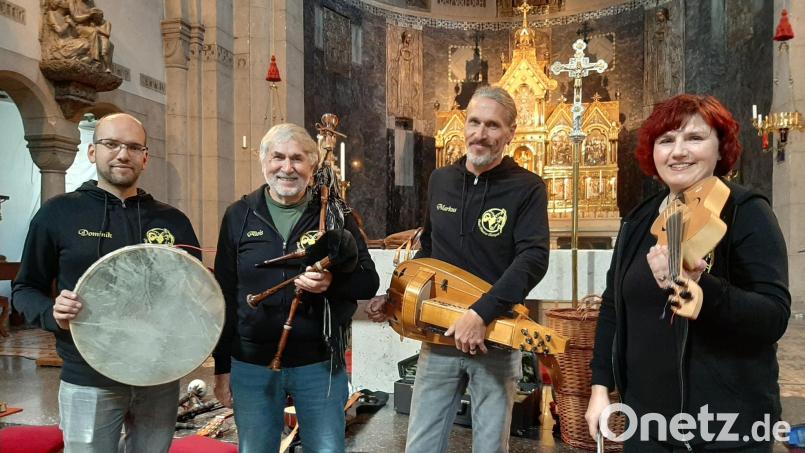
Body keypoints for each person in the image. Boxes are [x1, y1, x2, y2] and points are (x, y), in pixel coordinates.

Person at [586, 94, 790, 452]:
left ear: (720, 147)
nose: (678, 151)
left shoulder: (746, 212)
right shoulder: (639, 219)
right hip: (647, 422)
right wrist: (600, 387)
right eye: (666, 140)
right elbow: (613, 308)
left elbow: (773, 316)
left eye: (695, 137)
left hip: (725, 426)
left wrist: (704, 289)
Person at [367, 85, 550, 453]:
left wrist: (480, 314)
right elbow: (430, 250)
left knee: (489, 447)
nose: (480, 134)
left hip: (495, 335)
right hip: (439, 337)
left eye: (493, 125)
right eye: (474, 122)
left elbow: (533, 259)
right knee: (420, 445)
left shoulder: (527, 188)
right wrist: (394, 298)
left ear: (511, 132)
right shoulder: (441, 180)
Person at [12, 113, 201, 453]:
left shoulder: (172, 220)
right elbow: (25, 289)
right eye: (111, 144)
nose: (122, 154)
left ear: (145, 157)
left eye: (133, 147)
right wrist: (52, 313)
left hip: (158, 376)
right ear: (92, 151)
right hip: (88, 377)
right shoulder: (58, 214)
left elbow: (194, 295)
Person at [212, 123, 379, 453]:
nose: (287, 167)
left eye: (297, 159)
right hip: (252, 364)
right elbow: (224, 295)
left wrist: (331, 283)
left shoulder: (334, 214)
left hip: (319, 363)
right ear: (263, 161)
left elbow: (368, 281)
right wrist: (222, 366)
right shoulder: (239, 215)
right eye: (278, 157)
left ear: (312, 166)